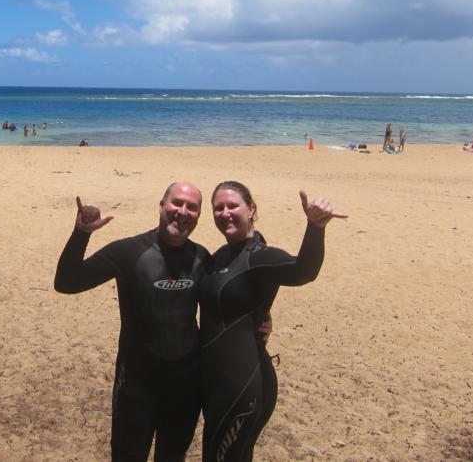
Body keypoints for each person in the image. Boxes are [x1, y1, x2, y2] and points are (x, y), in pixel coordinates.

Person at [55, 183, 209, 461]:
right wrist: (81, 233)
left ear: (199, 215)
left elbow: (226, 300)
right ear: (161, 206)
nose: (182, 211)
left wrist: (262, 316)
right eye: (176, 203)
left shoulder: (202, 258)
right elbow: (67, 282)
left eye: (192, 206)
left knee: (173, 456)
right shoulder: (127, 252)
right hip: (136, 385)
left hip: (186, 385)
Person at [200, 181, 345, 462]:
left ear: (251, 209)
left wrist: (315, 228)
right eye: (218, 208)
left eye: (233, 206)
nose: (225, 213)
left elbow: (303, 270)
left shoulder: (259, 256)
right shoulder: (220, 256)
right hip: (218, 382)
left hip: (243, 384)